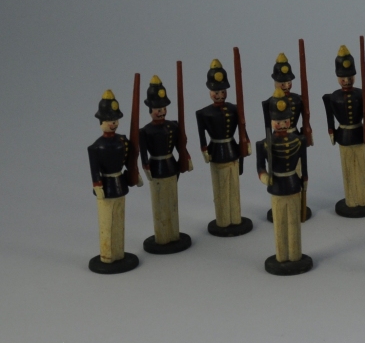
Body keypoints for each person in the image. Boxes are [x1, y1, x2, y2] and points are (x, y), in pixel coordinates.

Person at [257, 87, 312, 275]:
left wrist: (304, 180)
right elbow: (260, 167)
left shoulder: (299, 140)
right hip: (277, 187)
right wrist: (265, 177)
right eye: (278, 121)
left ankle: (295, 255)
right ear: (272, 122)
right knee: (280, 223)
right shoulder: (264, 144)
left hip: (294, 184)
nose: (281, 124)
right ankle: (282, 255)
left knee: (294, 223)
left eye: (285, 121)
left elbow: (304, 164)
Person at [195, 59, 252, 236]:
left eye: (222, 91)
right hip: (217, 152)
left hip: (232, 150)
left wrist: (246, 142)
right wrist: (204, 150)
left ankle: (235, 217)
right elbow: (202, 135)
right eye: (216, 92)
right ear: (210, 92)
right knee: (220, 189)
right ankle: (223, 219)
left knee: (234, 187)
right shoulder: (204, 113)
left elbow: (242, 126)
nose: (220, 95)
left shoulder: (234, 108)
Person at [87, 89, 141, 274]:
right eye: (110, 121)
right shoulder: (96, 147)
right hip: (106, 186)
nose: (113, 124)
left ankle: (119, 253)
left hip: (120, 183)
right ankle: (108, 255)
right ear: (101, 122)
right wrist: (97, 185)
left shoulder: (122, 141)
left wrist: (135, 174)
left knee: (119, 220)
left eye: (115, 120)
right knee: (107, 222)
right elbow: (95, 170)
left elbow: (128, 161)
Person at [322, 45, 365, 217]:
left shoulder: (363, 95)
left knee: (361, 169)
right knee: (347, 170)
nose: (346, 81)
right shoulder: (333, 97)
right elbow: (330, 117)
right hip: (344, 136)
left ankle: (363, 199)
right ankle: (351, 199)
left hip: (359, 134)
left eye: (349, 77)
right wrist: (331, 131)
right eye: (343, 78)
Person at [139, 74, 193, 254]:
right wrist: (146, 168)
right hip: (157, 168)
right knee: (160, 205)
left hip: (171, 166)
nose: (161, 112)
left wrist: (186, 157)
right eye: (157, 109)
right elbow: (143, 154)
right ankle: (162, 236)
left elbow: (180, 146)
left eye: (163, 108)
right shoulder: (145, 131)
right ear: (150, 110)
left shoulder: (173, 126)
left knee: (172, 203)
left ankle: (174, 234)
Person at [261, 53, 312, 222]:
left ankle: (297, 203)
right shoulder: (270, 102)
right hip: (277, 141)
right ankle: (284, 204)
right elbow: (268, 126)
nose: (286, 85)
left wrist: (307, 132)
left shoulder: (298, 99)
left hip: (295, 137)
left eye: (288, 82)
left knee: (297, 171)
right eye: (282, 82)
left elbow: (305, 118)